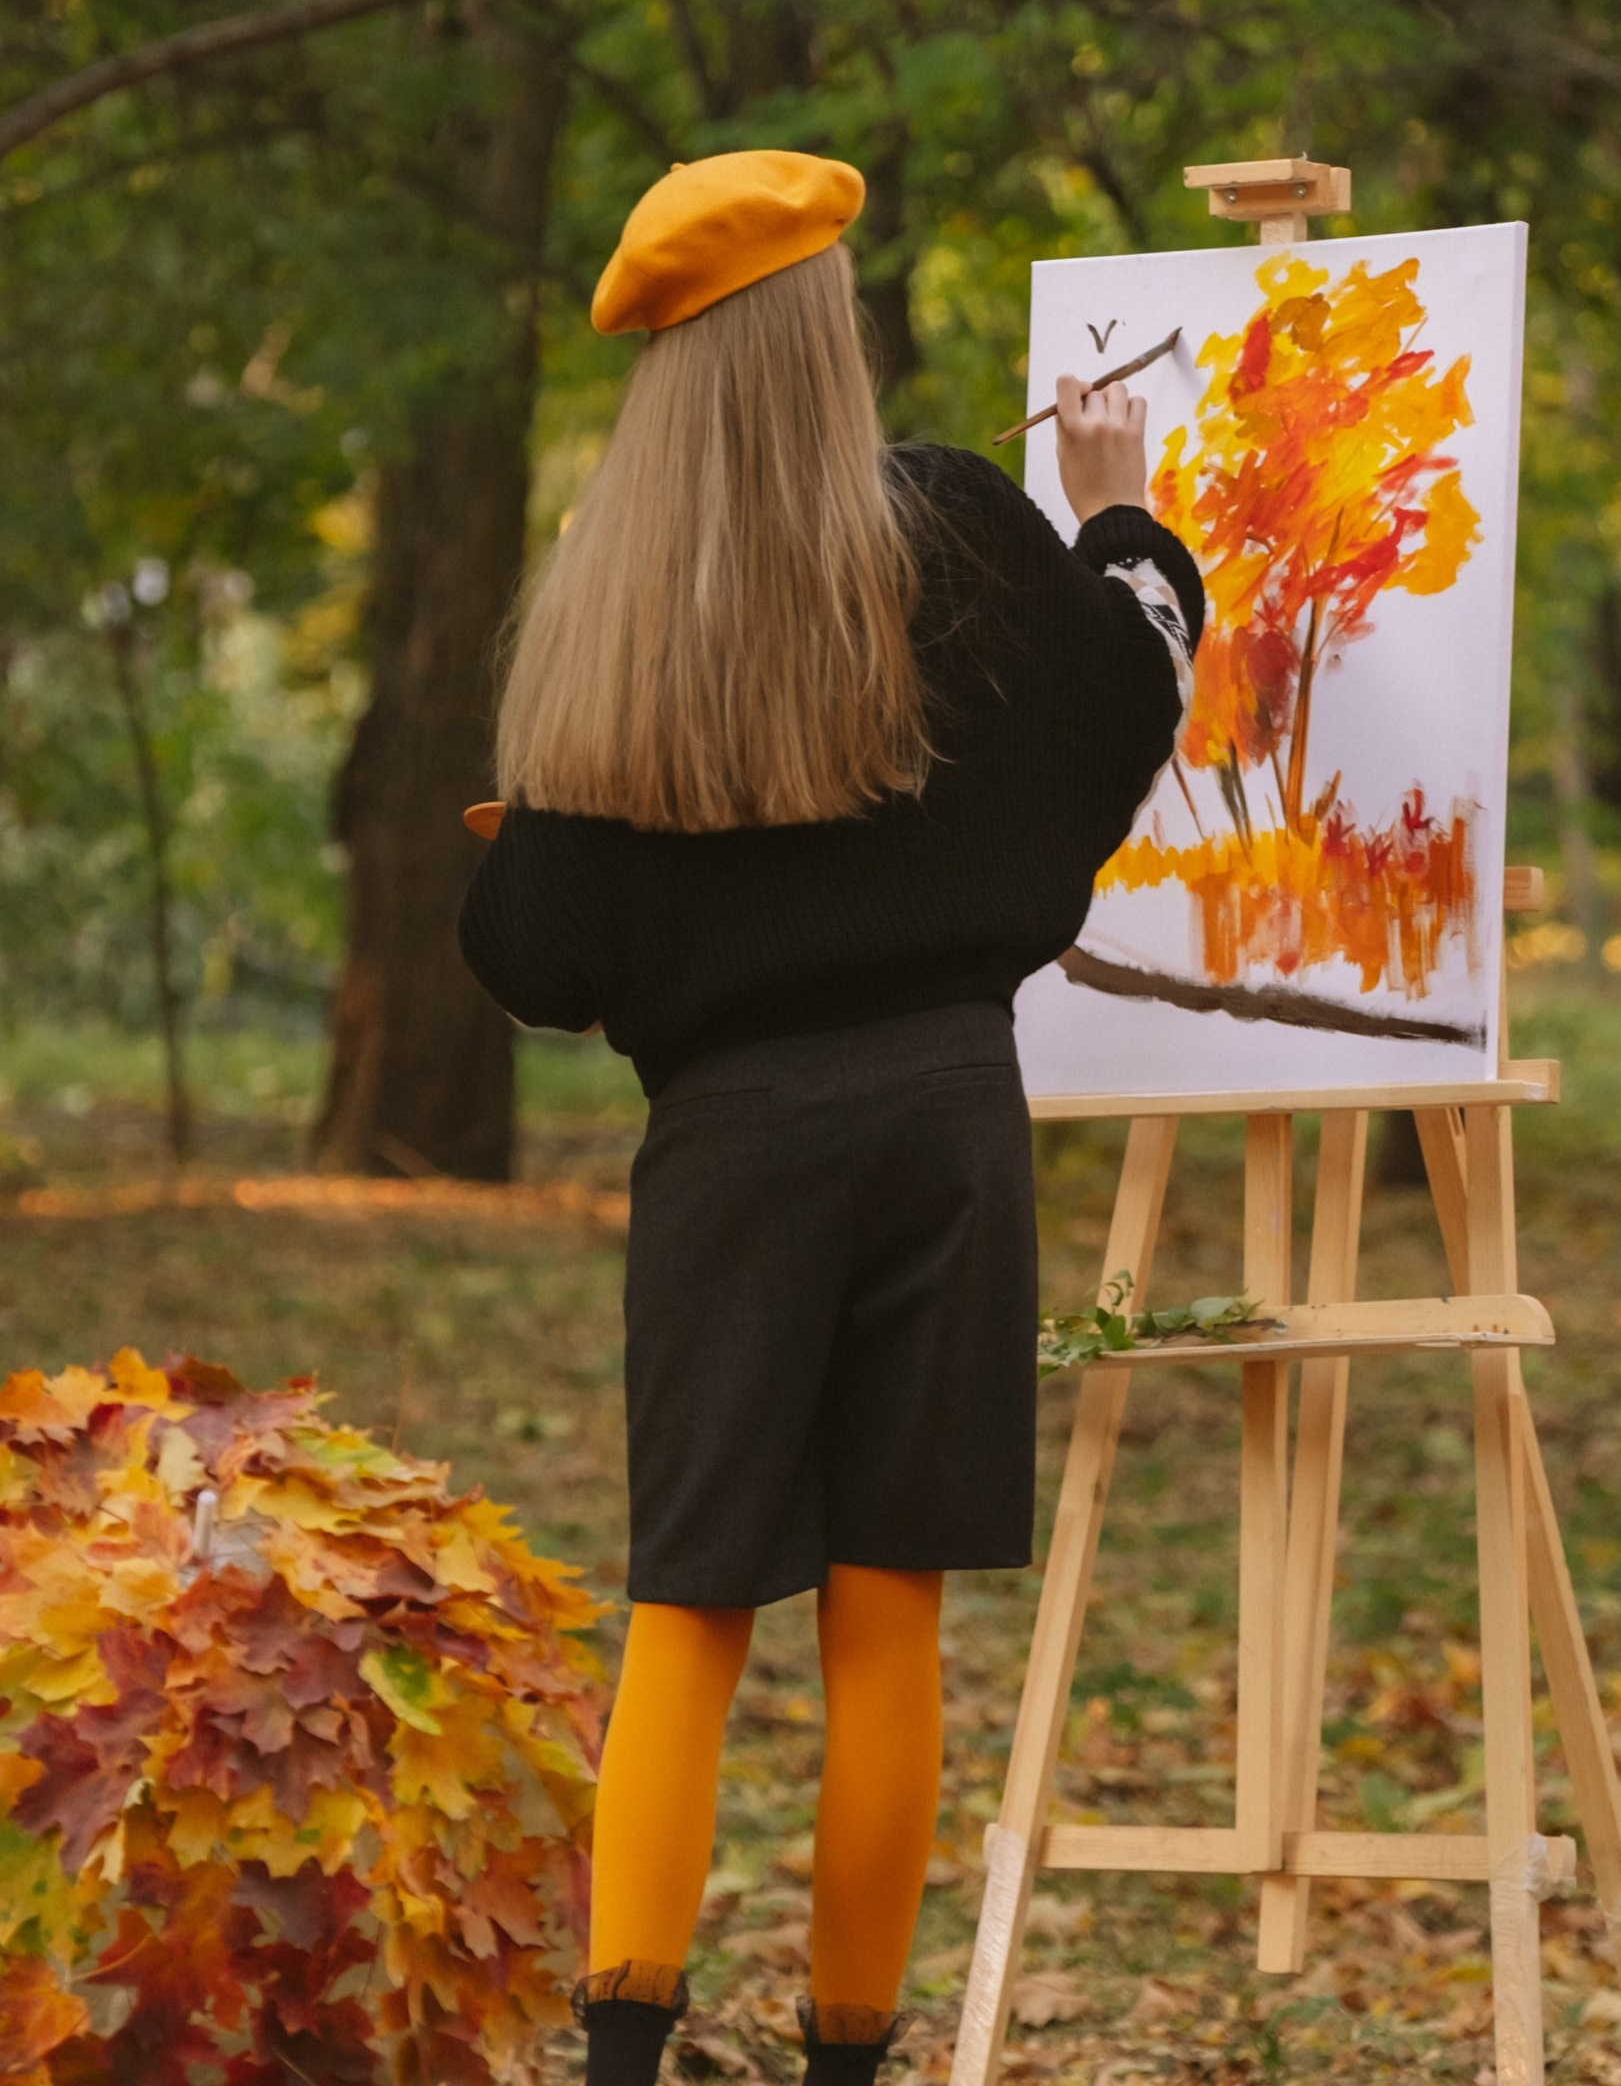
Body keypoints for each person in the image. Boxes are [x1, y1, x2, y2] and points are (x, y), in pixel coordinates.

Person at [458, 150, 1203, 2086]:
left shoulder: (615, 614)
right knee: (887, 1618)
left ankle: (620, 2064)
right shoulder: (953, 524)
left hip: (728, 1146)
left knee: (688, 1609)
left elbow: (532, 950)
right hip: (947, 1117)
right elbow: (1126, 696)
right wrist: (1123, 511)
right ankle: (848, 2067)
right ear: (826, 336)